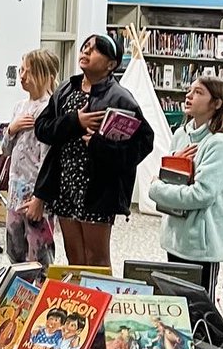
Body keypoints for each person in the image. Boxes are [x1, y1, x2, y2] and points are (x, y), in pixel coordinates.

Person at [34, 33, 155, 269]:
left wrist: (100, 146)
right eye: (85, 46)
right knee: (75, 259)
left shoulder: (120, 98)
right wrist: (75, 121)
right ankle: (78, 295)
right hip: (65, 185)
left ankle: (99, 295)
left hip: (98, 190)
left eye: (96, 49)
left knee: (96, 260)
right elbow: (42, 128)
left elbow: (143, 143)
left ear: (111, 64)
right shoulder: (66, 89)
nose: (86, 51)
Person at [148, 75, 223, 296]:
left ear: (216, 103)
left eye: (198, 92)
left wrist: (156, 189)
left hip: (200, 245)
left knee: (200, 306)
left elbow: (202, 194)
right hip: (175, 236)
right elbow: (170, 177)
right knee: (176, 301)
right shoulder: (181, 134)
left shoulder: (218, 143)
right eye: (190, 90)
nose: (189, 96)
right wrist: (173, 165)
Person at [1, 48, 60, 268]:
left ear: (44, 75)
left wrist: (40, 197)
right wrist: (12, 129)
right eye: (21, 70)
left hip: (36, 193)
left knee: (39, 251)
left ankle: (41, 288)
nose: (22, 76)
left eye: (29, 72)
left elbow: (49, 159)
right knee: (15, 249)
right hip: (15, 191)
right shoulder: (19, 108)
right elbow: (6, 150)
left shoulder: (50, 110)